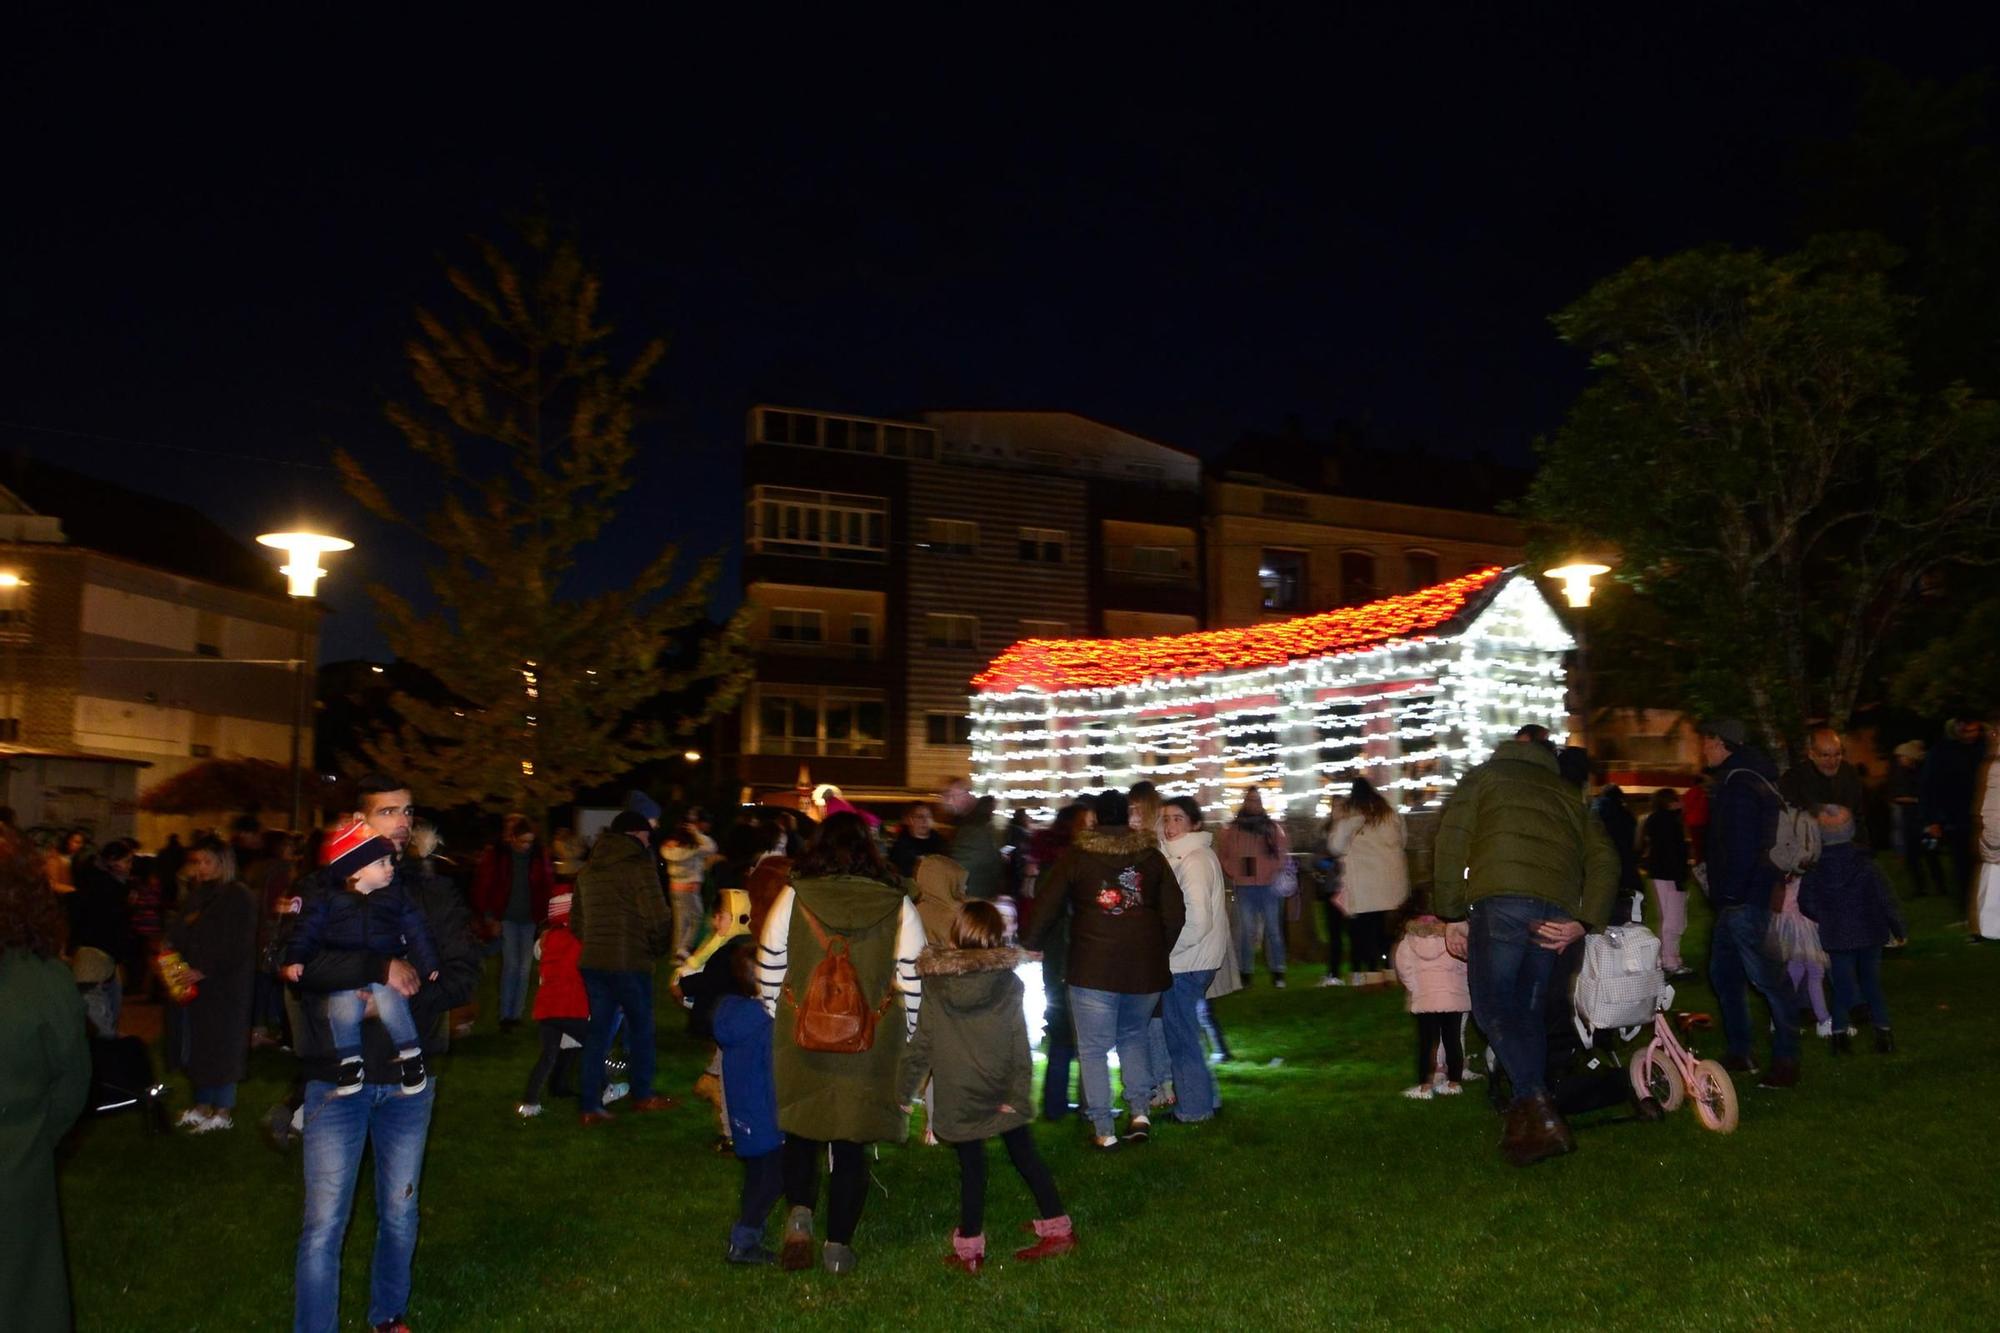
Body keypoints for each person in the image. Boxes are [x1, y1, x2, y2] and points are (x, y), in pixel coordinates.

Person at [290, 773, 481, 1333]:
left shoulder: (431, 892)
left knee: (400, 1210)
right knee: (324, 1222)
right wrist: (373, 972)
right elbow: (294, 964)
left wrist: (402, 997)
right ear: (358, 823)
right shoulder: (323, 889)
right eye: (387, 811)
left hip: (406, 1080)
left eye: (408, 811)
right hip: (334, 1078)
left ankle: (388, 1316)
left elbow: (463, 974)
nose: (401, 822)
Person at [1433, 735, 1618, 1166]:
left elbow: (1451, 841)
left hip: (1502, 904)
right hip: (1554, 912)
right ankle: (1528, 1123)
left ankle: (1539, 1107)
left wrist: (1451, 912)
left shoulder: (1485, 777)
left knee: (1493, 1009)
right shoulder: (1568, 793)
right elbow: (1605, 859)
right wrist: (1583, 920)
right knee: (1527, 1013)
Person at [757, 811, 925, 1275]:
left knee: (801, 1130)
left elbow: (770, 960)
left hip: (802, 1034)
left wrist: (778, 1014)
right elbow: (913, 978)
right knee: (851, 1142)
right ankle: (838, 1248)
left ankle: (800, 1213)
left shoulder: (794, 896)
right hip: (870, 1041)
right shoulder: (897, 903)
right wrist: (908, 1036)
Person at [900, 901, 1075, 1274]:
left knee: (973, 1168)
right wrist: (1017, 1093)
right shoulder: (1008, 983)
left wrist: (903, 1092)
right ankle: (1058, 1227)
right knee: (1026, 1157)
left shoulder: (936, 983)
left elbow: (922, 1044)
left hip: (959, 1093)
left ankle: (970, 1250)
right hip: (1000, 1090)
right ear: (996, 937)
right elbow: (1018, 1043)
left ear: (956, 934)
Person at [1022, 789, 1182, 1149]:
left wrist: (1031, 942)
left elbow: (1047, 904)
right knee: (1133, 1037)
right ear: (1126, 819)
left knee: (1093, 1049)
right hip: (1143, 971)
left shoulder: (1077, 858)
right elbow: (1175, 912)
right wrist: (1157, 949)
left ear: (1094, 819)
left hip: (1093, 969)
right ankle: (1140, 1112)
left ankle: (1104, 1128)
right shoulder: (1152, 857)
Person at [0, 829, 91, 1333]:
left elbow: (70, 1087)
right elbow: (70, 1085)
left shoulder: (39, 979)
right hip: (17, 1168)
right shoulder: (44, 978)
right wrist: (29, 1137)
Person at [283, 821, 439, 1096]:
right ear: (355, 871)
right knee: (343, 1006)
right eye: (381, 863)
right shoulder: (328, 900)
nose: (391, 867)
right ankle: (350, 1061)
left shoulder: (394, 896)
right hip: (348, 969)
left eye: (390, 861)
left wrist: (428, 963)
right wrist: (297, 958)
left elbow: (417, 928)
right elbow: (307, 930)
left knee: (392, 1001)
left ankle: (411, 1055)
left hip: (387, 963)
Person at [1698, 718, 1805, 1089]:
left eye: (1707, 742)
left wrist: (1731, 893)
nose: (1703, 750)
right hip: (1741, 898)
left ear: (1722, 743)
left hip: (1743, 898)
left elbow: (1742, 846)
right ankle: (1741, 1050)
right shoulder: (1748, 778)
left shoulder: (1739, 786)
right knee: (1725, 975)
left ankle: (1786, 1060)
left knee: (1769, 980)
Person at [572, 811, 678, 1124]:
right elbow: (658, 918)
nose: (650, 842)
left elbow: (577, 923)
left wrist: (596, 941)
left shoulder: (588, 871)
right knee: (641, 1029)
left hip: (594, 962)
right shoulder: (639, 866)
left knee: (598, 1034)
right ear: (635, 835)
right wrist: (654, 949)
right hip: (630, 961)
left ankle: (590, 1105)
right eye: (647, 836)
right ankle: (643, 1094)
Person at [163, 836, 257, 1131]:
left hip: (225, 987)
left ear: (223, 863)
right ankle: (202, 1105)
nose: (200, 868)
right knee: (198, 1045)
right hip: (195, 985)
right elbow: (181, 930)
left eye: (207, 862)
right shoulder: (199, 894)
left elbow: (239, 943)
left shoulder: (238, 895)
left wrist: (205, 969)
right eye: (197, 862)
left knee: (223, 1046)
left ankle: (223, 1109)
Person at [1798, 805, 1905, 1053]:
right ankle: (1883, 1033)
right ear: (1851, 830)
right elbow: (1885, 898)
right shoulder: (1866, 864)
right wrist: (1898, 927)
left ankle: (1839, 1036)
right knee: (1871, 983)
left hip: (1837, 934)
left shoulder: (1816, 868)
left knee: (1843, 985)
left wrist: (1824, 915)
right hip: (1870, 931)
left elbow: (1806, 902)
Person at [1158, 796, 1228, 1123]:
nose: (1170, 826)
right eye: (1166, 819)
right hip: (1194, 959)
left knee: (1181, 1036)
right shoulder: (1186, 857)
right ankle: (1206, 1097)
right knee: (1188, 1031)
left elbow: (1198, 920)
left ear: (1194, 824)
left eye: (1177, 819)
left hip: (1187, 962)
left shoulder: (1193, 860)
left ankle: (1193, 1108)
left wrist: (1166, 950)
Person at [713, 946, 784, 1265]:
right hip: (767, 1115)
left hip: (744, 1114)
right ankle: (743, 1240)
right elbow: (773, 1074)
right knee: (773, 1178)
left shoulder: (731, 1014)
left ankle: (749, 1231)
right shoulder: (767, 1024)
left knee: (758, 1176)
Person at [471, 814, 554, 1032]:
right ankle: (506, 1015)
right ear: (513, 839)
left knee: (524, 968)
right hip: (506, 917)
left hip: (528, 919)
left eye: (529, 841)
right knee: (511, 965)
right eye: (523, 841)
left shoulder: (538, 856)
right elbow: (485, 885)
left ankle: (515, 1014)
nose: (526, 846)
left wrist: (545, 919)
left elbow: (546, 885)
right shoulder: (499, 856)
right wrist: (490, 917)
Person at [1325, 777, 1410, 986]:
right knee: (1387, 931)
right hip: (1392, 883)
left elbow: (1334, 847)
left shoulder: (1352, 819)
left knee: (1366, 931)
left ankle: (1371, 974)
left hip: (1365, 886)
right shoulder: (1391, 814)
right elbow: (1404, 840)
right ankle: (1391, 971)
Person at [517, 891, 591, 1117]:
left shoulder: (546, 940)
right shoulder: (578, 939)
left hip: (546, 1007)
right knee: (594, 1044)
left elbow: (539, 953)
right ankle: (603, 1089)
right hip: (571, 1006)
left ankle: (531, 1102)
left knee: (549, 1053)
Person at [1216, 788, 1291, 987]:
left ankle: (1278, 971)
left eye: (1256, 800)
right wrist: (1234, 870)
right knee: (1246, 931)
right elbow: (1223, 853)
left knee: (1273, 930)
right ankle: (1246, 972)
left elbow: (1282, 852)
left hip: (1268, 885)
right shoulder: (1233, 829)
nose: (1253, 804)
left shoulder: (1271, 828)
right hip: (1245, 886)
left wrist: (1271, 870)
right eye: (1250, 800)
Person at [1393, 915, 1471, 1098]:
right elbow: (1464, 965)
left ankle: (1425, 1087)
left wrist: (1416, 989)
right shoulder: (1452, 938)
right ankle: (1454, 1083)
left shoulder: (1408, 942)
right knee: (1453, 1040)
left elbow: (1404, 969)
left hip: (1426, 999)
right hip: (1453, 999)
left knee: (1427, 1043)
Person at [70, 837, 137, 1032]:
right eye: (127, 861)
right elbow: (112, 924)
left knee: (106, 1015)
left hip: (103, 957)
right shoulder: (108, 888)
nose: (130, 867)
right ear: (112, 862)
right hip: (95, 957)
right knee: (102, 1021)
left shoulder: (104, 884)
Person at [1922, 718, 1987, 896]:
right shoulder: (1941, 753)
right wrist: (1932, 819)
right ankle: (1969, 903)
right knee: (1964, 864)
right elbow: (1930, 787)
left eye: (1975, 731)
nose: (1972, 735)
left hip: (1984, 815)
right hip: (1958, 819)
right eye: (1967, 731)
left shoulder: (1982, 749)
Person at [1780, 728, 1871, 848]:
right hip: (1813, 849)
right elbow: (1789, 815)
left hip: (1848, 846)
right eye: (1825, 755)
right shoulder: (1793, 779)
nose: (1832, 761)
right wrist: (1817, 811)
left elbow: (1858, 815)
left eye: (1837, 754)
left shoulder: (1849, 773)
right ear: (1811, 754)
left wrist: (1863, 848)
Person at [1639, 788, 1693, 977]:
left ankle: (1667, 958)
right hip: (1670, 875)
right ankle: (1670, 960)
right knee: (1674, 919)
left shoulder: (1656, 820)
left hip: (1661, 874)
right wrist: (1680, 877)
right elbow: (1673, 853)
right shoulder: (1670, 822)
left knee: (1670, 918)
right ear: (1669, 802)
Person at [1887, 741, 1946, 896]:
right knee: (1914, 858)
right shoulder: (1901, 774)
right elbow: (1897, 796)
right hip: (1911, 822)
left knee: (1930, 854)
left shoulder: (1920, 774)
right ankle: (1921, 888)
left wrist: (1916, 800)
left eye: (1902, 757)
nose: (1900, 760)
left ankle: (1939, 887)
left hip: (1923, 822)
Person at [661, 815, 717, 963]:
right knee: (696, 918)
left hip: (674, 888)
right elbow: (712, 847)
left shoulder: (668, 847)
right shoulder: (694, 848)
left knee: (681, 921)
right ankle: (683, 949)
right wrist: (696, 833)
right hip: (690, 888)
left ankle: (677, 953)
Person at [1592, 785, 1643, 925]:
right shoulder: (1627, 816)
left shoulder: (1595, 814)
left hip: (1601, 871)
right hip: (1626, 871)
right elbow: (1634, 844)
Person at [951, 795, 1006, 901]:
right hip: (977, 887)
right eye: (993, 808)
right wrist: (999, 858)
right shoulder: (980, 830)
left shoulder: (969, 827)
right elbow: (981, 857)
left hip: (971, 886)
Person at [888, 802, 950, 878]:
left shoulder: (941, 843)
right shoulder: (900, 847)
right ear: (909, 820)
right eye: (920, 817)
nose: (925, 821)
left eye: (929, 817)